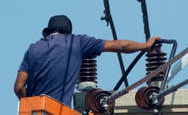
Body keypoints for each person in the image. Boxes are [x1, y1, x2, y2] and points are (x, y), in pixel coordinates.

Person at [14, 15, 160, 107]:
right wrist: (145, 46)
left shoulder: (33, 48)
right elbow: (121, 46)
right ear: (68, 31)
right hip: (56, 111)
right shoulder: (76, 43)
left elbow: (19, 87)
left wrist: (30, 104)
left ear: (48, 32)